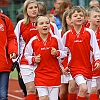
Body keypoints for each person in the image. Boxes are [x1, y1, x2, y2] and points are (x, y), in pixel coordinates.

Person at [24, 14, 68, 100]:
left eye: (47, 23)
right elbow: (27, 55)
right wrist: (34, 59)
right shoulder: (33, 41)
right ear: (36, 26)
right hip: (40, 75)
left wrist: (57, 53)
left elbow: (65, 52)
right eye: (41, 23)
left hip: (54, 75)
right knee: (43, 98)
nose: (45, 25)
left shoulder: (56, 39)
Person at [62, 6, 100, 100]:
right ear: (70, 19)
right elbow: (63, 53)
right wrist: (63, 66)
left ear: (84, 18)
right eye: (75, 15)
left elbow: (95, 49)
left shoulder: (89, 33)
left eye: (81, 15)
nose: (79, 17)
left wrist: (98, 61)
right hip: (74, 67)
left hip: (87, 67)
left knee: (80, 91)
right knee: (83, 88)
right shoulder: (67, 35)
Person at [14, 0, 39, 100]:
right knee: (31, 89)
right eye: (30, 8)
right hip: (26, 61)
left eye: (35, 7)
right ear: (26, 10)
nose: (33, 10)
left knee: (41, 90)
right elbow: (15, 42)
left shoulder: (45, 22)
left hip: (43, 60)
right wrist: (18, 62)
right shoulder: (21, 24)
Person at [0, 13, 18, 99]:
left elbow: (11, 38)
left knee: (3, 96)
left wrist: (13, 51)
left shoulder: (5, 20)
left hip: (3, 63)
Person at [87, 6, 100, 100]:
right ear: (88, 18)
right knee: (93, 90)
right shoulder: (85, 32)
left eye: (99, 16)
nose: (98, 18)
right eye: (95, 16)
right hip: (91, 65)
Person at [15, 13, 27, 100]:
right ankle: (24, 91)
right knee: (21, 75)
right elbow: (15, 41)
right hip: (20, 57)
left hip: (31, 56)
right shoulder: (19, 28)